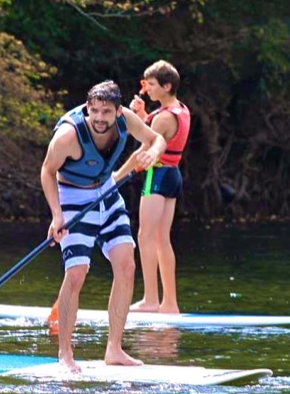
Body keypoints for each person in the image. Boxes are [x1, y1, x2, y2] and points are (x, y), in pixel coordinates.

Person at [41, 80, 167, 372]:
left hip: (108, 193)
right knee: (76, 274)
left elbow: (156, 139)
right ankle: (65, 355)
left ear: (118, 112)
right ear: (87, 108)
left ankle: (114, 349)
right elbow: (47, 172)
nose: (99, 118)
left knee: (126, 265)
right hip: (72, 196)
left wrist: (153, 153)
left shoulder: (127, 120)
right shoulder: (68, 136)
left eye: (106, 112)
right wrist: (56, 216)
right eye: (94, 111)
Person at [114, 60, 190, 314]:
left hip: (156, 176)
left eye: (153, 84)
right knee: (161, 239)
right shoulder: (179, 110)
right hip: (173, 175)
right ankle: (170, 304)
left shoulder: (164, 117)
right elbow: (161, 133)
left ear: (167, 86)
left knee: (145, 236)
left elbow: (142, 153)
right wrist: (144, 115)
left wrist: (116, 176)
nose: (148, 88)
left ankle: (150, 300)